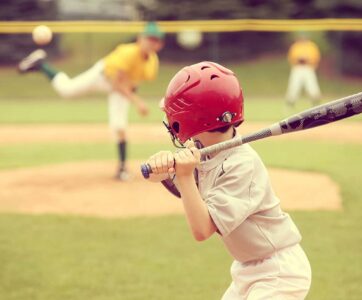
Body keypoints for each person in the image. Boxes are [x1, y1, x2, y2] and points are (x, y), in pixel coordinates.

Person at [146, 61, 312, 299]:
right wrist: (163, 171)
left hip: (278, 271)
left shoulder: (241, 165)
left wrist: (183, 175)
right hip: (247, 269)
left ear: (194, 118)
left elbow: (202, 229)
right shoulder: (204, 150)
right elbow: (186, 188)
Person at [18, 22, 165, 180]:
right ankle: (41, 64)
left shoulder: (152, 63)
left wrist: (132, 95)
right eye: (149, 39)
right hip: (102, 77)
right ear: (140, 39)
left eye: (155, 40)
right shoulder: (128, 53)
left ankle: (122, 169)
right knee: (67, 90)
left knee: (119, 125)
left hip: (120, 88)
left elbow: (133, 82)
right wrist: (137, 102)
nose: (151, 43)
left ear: (160, 44)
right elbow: (116, 83)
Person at [286, 35, 321, 108]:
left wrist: (311, 62)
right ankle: (290, 102)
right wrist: (297, 60)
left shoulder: (311, 46)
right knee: (294, 85)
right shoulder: (295, 46)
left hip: (308, 67)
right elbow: (291, 57)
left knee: (312, 86)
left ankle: (315, 100)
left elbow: (316, 57)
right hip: (297, 67)